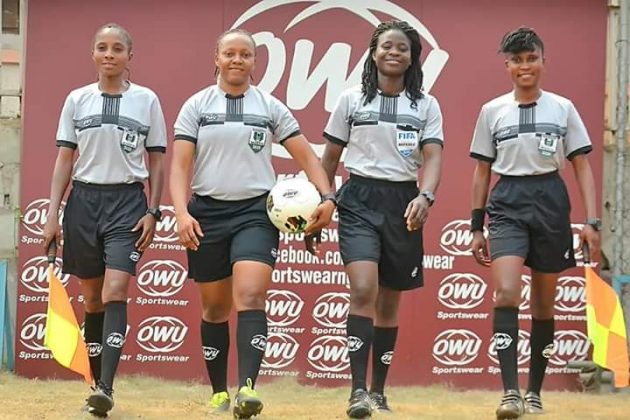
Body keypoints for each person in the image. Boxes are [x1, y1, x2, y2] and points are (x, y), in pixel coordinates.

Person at [169, 28, 335, 419]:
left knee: (250, 295)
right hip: (207, 214)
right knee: (214, 309)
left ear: (255, 62)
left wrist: (328, 197)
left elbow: (309, 159)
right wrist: (181, 213)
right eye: (230, 53)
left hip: (255, 214)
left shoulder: (270, 107)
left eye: (245, 54)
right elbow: (179, 167)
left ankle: (247, 389)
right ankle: (218, 393)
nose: (237, 60)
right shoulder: (196, 106)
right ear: (216, 57)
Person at [469, 27, 600, 419]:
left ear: (543, 61)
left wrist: (591, 221)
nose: (524, 66)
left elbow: (582, 166)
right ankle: (510, 394)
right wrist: (476, 225)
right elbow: (481, 172)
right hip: (507, 202)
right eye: (516, 60)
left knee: (544, 304)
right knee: (506, 293)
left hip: (550, 201)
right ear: (507, 66)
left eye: (531, 58)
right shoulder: (492, 111)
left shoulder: (563, 108)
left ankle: (535, 392)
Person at [42, 23, 166, 418]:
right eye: (102, 48)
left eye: (117, 48)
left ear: (130, 56)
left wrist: (153, 210)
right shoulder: (77, 99)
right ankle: (95, 388)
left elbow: (157, 161)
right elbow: (65, 160)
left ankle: (107, 388)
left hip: (127, 203)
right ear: (93, 54)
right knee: (93, 298)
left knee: (115, 290)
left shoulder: (147, 100)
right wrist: (52, 215)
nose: (109, 54)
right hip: (83, 202)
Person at [321, 20, 444, 419]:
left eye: (402, 48)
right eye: (386, 46)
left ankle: (378, 391)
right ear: (373, 53)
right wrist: (323, 202)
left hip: (403, 203)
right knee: (363, 289)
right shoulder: (350, 100)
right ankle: (357, 391)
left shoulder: (425, 105)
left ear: (412, 57)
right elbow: (329, 159)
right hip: (358, 199)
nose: (394, 52)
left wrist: (426, 195)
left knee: (389, 303)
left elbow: (434, 157)